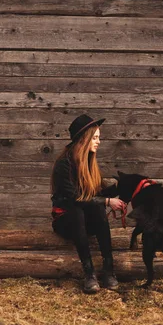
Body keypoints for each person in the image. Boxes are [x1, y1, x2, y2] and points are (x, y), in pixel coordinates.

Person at [50, 113, 126, 293]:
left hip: (85, 221)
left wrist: (123, 186)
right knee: (77, 212)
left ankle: (109, 270)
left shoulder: (89, 161)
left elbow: (96, 193)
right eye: (95, 138)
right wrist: (108, 201)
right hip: (66, 221)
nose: (98, 142)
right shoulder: (64, 164)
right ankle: (89, 273)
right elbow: (75, 198)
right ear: (84, 139)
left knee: (98, 210)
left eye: (99, 138)